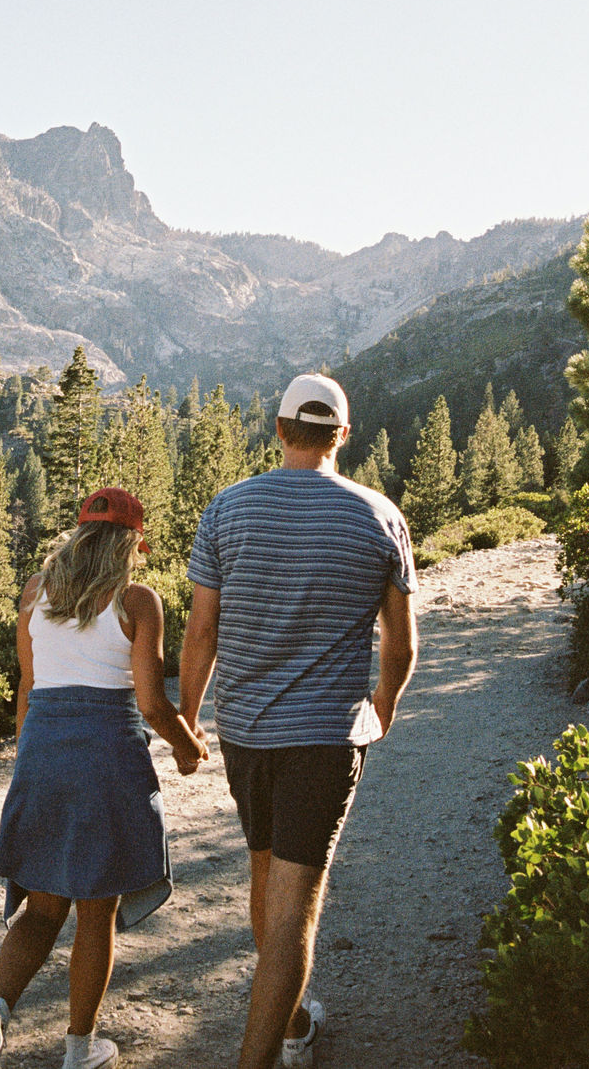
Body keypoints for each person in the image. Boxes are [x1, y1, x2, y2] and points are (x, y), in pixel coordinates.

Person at [177, 373, 418, 1069]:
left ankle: (290, 1024)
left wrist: (188, 720)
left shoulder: (227, 509)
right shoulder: (379, 516)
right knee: (294, 911)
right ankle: (268, 1050)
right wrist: (386, 704)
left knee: (266, 871)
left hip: (244, 732)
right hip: (324, 738)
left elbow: (201, 633)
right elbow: (400, 643)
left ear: (279, 430)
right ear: (343, 435)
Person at [0, 486, 207, 1069]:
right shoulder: (136, 602)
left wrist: (30, 762)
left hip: (43, 751)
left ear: (80, 534)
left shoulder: (35, 593)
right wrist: (188, 745)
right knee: (95, 911)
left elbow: (28, 688)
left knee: (42, 909)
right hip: (106, 761)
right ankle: (79, 1050)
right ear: (132, 543)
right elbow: (149, 703)